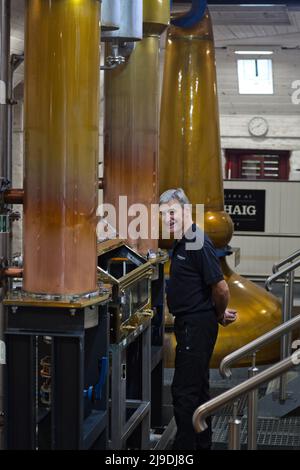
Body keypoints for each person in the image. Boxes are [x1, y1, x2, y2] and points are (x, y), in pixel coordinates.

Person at [159, 188, 237, 451]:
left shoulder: (197, 241)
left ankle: (183, 451)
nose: (167, 218)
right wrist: (212, 309)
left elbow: (221, 287)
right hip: (192, 322)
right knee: (199, 389)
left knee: (184, 392)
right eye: (163, 215)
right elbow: (204, 287)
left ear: (185, 210)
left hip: (196, 326)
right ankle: (202, 445)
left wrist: (215, 312)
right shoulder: (183, 241)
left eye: (171, 212)